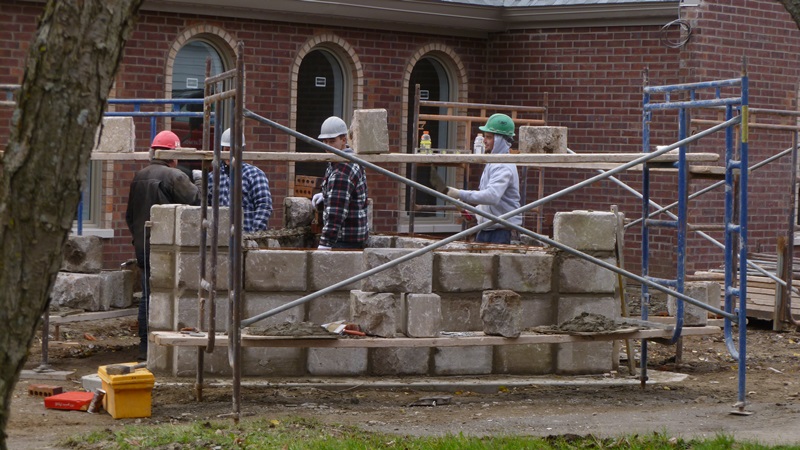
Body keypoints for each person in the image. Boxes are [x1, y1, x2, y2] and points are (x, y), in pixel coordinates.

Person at [125, 130, 201, 360]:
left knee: (147, 296)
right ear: (173, 155)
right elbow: (197, 203)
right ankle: (165, 350)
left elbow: (130, 216)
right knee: (173, 294)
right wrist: (199, 181)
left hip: (143, 245)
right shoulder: (175, 176)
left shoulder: (139, 176)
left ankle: (145, 348)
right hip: (167, 248)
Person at [446, 113, 521, 244]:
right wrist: (476, 213)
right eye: (485, 137)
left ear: (500, 140)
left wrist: (459, 194)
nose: (484, 141)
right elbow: (488, 198)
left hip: (502, 232)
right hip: (487, 228)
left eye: (489, 137)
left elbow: (492, 196)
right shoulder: (493, 161)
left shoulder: (503, 166)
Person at [312, 116, 369, 249]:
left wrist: (325, 244)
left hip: (344, 240)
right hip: (353, 237)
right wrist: (326, 195)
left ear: (344, 140)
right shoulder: (345, 159)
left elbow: (336, 213)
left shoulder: (342, 170)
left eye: (332, 141)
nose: (327, 146)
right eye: (325, 141)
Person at [205, 128, 273, 233]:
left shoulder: (254, 175)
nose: (230, 154)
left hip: (245, 236)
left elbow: (264, 206)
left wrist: (253, 235)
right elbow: (207, 208)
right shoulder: (213, 177)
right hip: (220, 238)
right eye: (227, 149)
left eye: (234, 150)